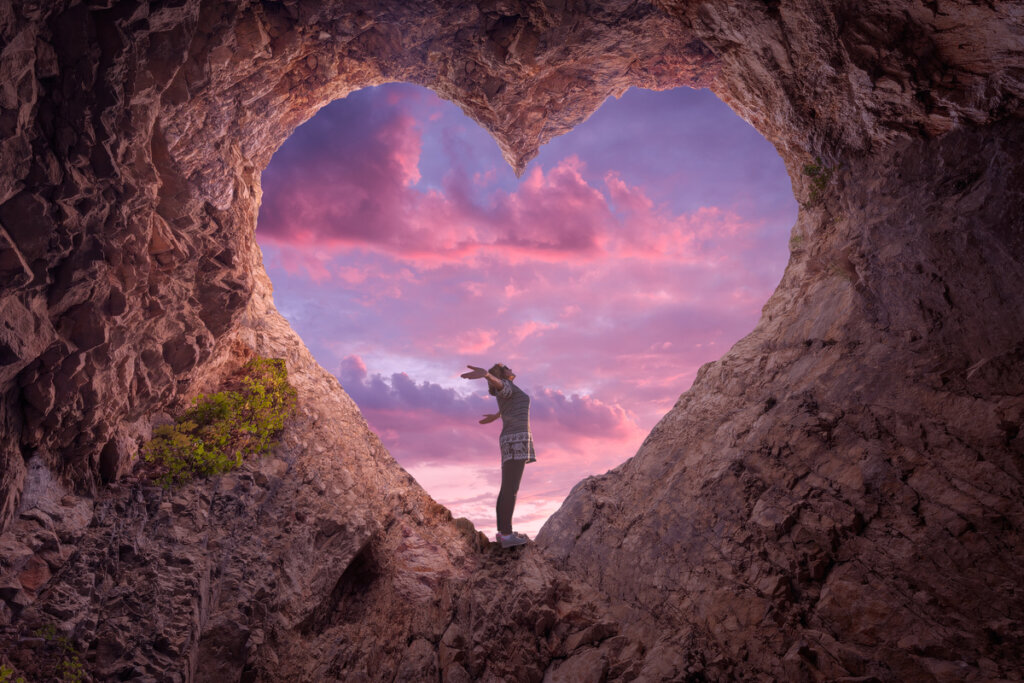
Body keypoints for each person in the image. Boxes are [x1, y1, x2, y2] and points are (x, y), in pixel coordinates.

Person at [461, 362, 535, 548]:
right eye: (506, 366)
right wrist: (487, 375)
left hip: (511, 441)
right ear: (502, 374)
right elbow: (502, 386)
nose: (511, 368)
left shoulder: (510, 389)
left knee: (507, 488)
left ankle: (503, 533)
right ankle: (507, 535)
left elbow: (509, 402)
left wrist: (496, 415)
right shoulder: (506, 385)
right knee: (511, 489)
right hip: (515, 442)